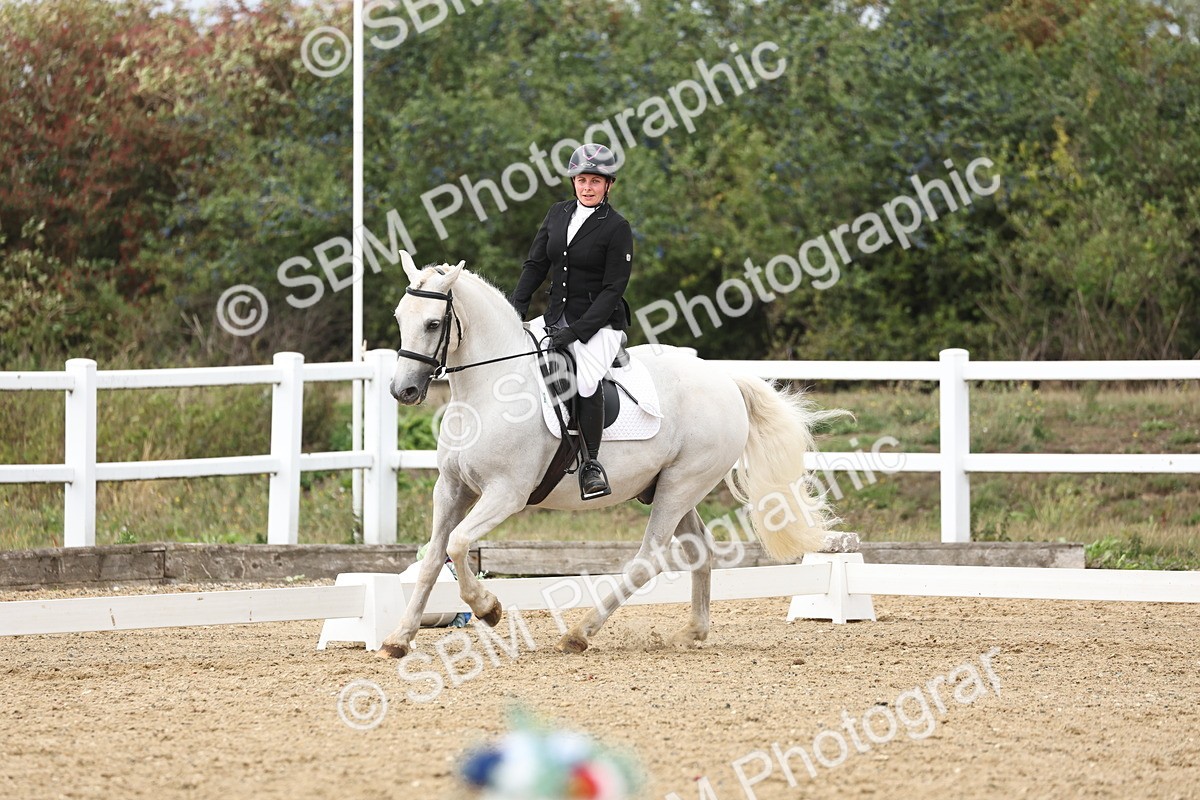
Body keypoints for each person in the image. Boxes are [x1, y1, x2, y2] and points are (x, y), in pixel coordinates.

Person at [510, 143, 633, 500]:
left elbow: (613, 289)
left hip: (600, 323)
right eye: (582, 180)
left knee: (586, 379)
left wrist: (576, 333)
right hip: (554, 317)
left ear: (608, 184)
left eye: (595, 181)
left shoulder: (616, 227)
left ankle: (591, 464)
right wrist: (515, 308)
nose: (587, 187)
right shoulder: (557, 213)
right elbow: (535, 265)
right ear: (573, 182)